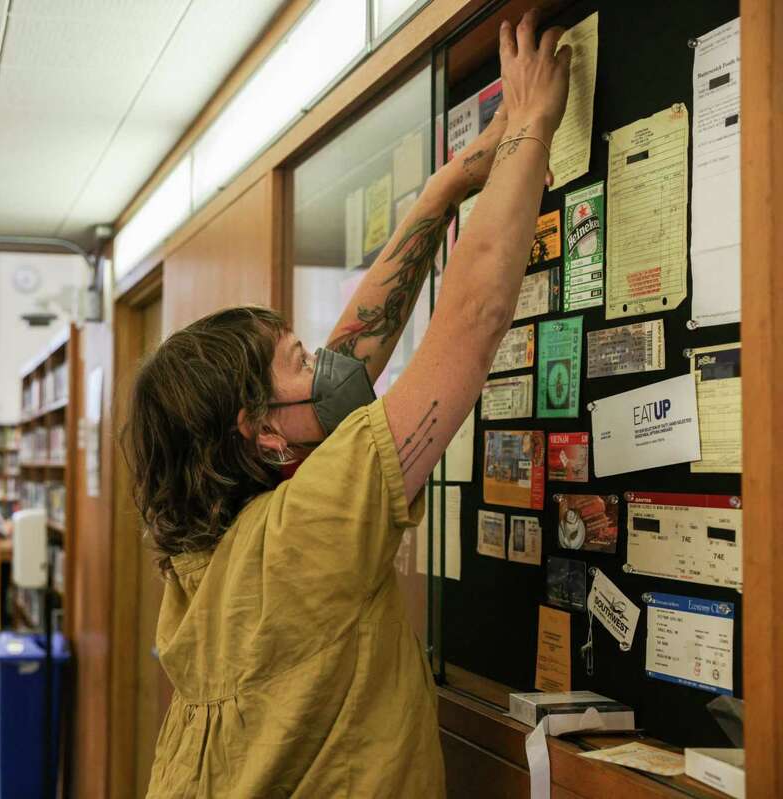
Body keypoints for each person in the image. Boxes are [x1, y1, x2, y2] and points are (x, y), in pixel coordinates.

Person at [122, 11, 571, 796]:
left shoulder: (211, 547)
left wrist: (445, 187)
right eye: (299, 358)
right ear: (258, 433)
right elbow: (470, 318)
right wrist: (531, 127)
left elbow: (341, 364)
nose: (325, 360)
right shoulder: (302, 537)